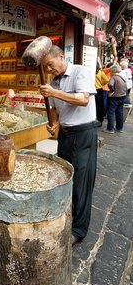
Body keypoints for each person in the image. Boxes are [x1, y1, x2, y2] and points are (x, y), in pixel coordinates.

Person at [39, 46, 98, 246]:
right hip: (65, 135)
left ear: (61, 57)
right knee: (64, 178)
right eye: (45, 66)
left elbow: (83, 99)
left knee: (82, 184)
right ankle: (65, 217)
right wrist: (54, 122)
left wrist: (54, 92)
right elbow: (56, 107)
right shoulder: (53, 81)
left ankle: (78, 230)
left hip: (83, 134)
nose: (48, 69)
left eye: (50, 64)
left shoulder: (80, 72)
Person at [102, 64, 127, 134]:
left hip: (114, 98)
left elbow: (110, 84)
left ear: (113, 71)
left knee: (111, 112)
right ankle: (120, 127)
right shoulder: (122, 77)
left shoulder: (113, 78)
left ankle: (110, 128)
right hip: (122, 96)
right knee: (120, 112)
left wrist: (111, 91)